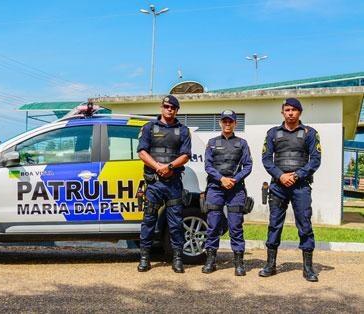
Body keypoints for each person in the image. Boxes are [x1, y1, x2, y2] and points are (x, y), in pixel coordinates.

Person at [260, 97, 321, 282]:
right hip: (278, 186)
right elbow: (266, 159)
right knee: (274, 224)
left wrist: (296, 175)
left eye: (294, 110)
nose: (290, 113)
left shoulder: (310, 133)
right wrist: (281, 175)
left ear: (300, 113)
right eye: (287, 110)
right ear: (282, 112)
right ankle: (270, 265)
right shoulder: (272, 133)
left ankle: (308, 268)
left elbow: (315, 160)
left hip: (300, 186)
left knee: (305, 225)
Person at [136, 95, 191, 273]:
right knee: (149, 220)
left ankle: (177, 258)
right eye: (167, 106)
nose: (169, 109)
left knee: (175, 222)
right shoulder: (149, 128)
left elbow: (185, 155)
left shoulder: (183, 130)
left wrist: (169, 166)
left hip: (173, 184)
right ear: (162, 107)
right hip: (154, 183)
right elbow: (142, 152)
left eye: (173, 107)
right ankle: (145, 258)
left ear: (176, 110)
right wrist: (158, 167)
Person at [201, 110, 253, 276]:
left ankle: (239, 262)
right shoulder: (212, 142)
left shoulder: (242, 143)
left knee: (235, 225)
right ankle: (211, 260)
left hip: (236, 189)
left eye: (230, 121)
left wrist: (235, 179)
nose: (227, 124)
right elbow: (208, 166)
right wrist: (221, 178)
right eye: (225, 121)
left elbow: (248, 165)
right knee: (213, 224)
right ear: (220, 123)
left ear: (235, 123)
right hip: (216, 188)